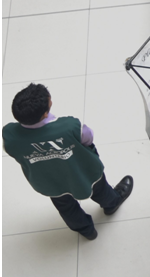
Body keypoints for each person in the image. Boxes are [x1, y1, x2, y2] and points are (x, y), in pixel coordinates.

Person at [3, 83, 134, 241]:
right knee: (100, 189)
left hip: (49, 181)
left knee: (66, 207)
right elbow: (88, 139)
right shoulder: (69, 126)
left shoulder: (9, 135)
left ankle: (86, 230)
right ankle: (111, 204)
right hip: (84, 172)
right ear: (45, 113)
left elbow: (13, 151)